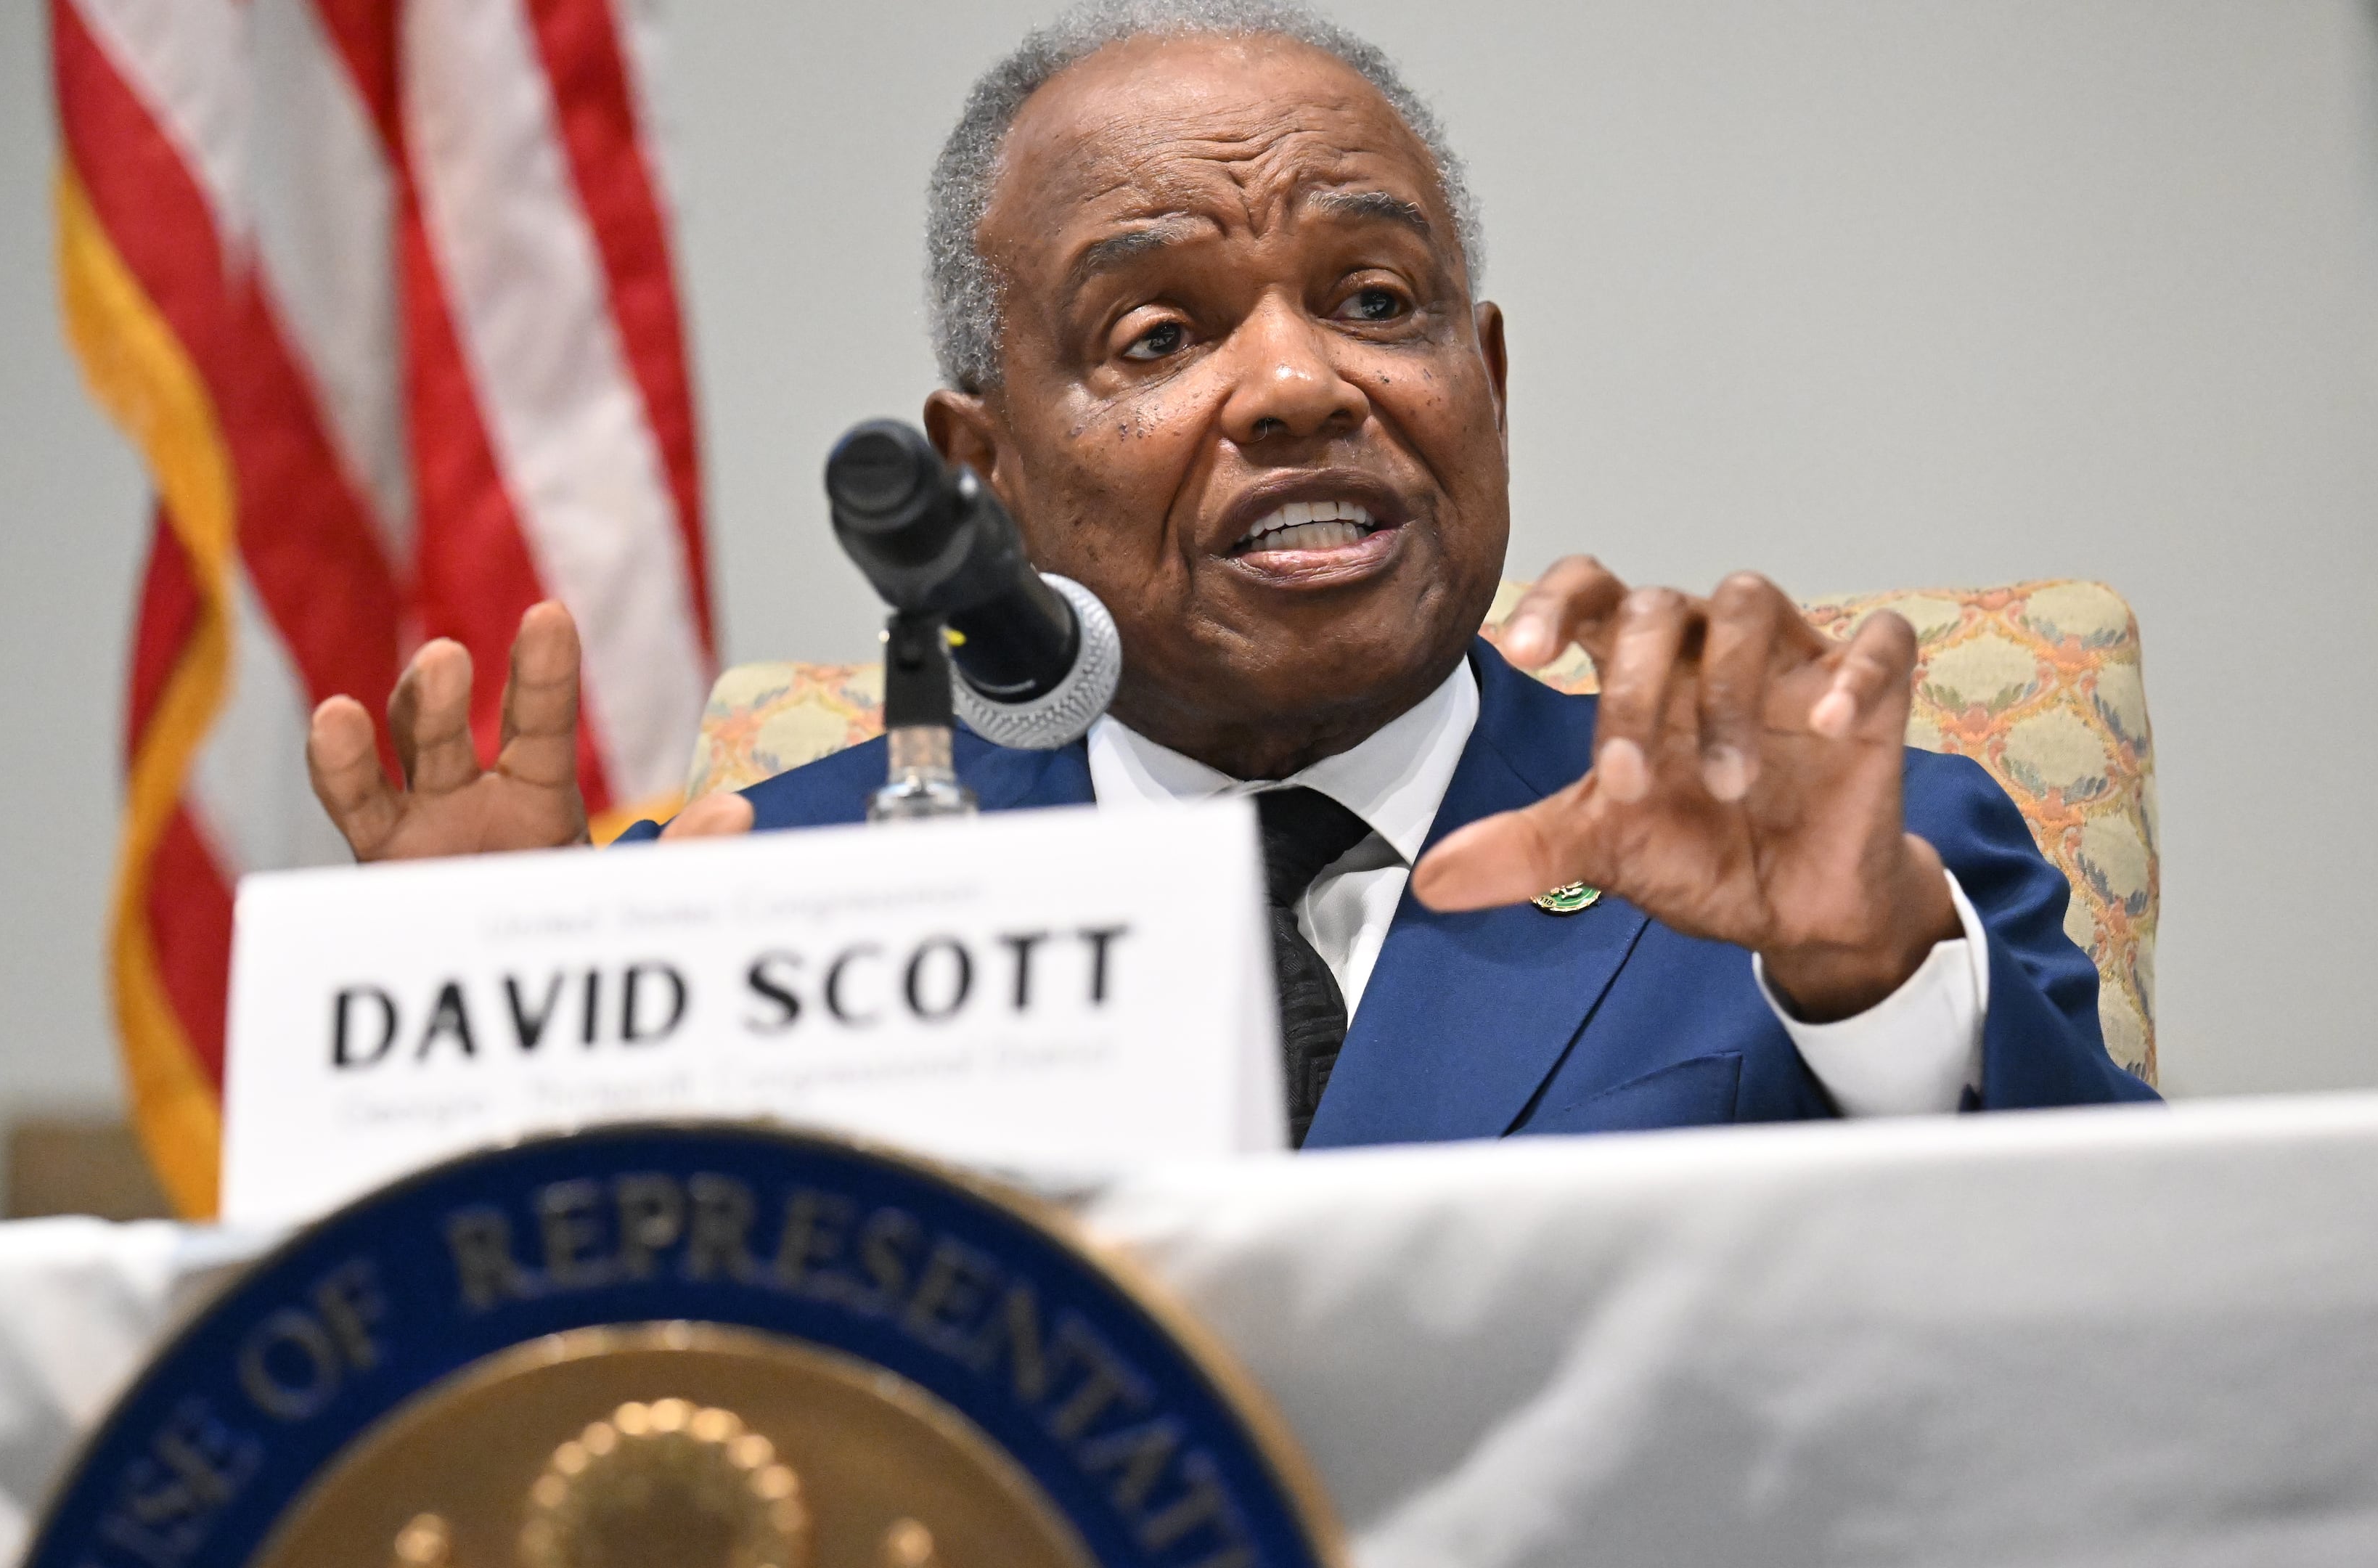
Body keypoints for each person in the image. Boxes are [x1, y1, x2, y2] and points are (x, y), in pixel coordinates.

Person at [301, 0, 2158, 1146]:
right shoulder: (750, 925)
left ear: (1483, 382)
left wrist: (1868, 981)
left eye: (1376, 301)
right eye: (1159, 331)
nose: (1297, 384)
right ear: (985, 468)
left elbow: (2144, 1370)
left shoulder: (1843, 864)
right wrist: (487, 1057)